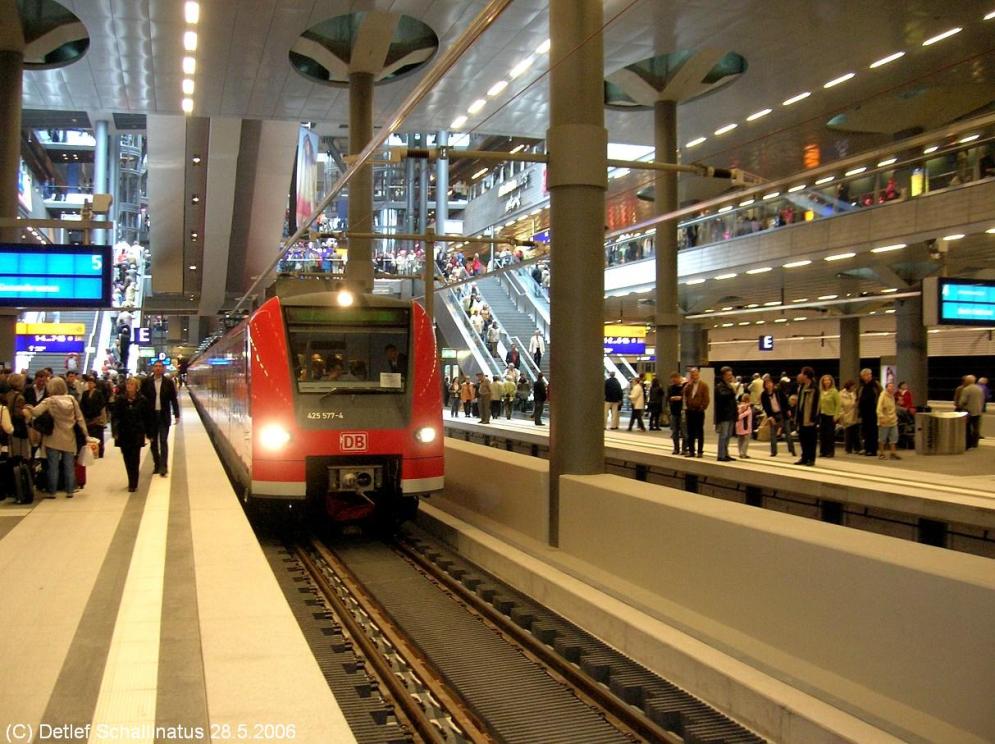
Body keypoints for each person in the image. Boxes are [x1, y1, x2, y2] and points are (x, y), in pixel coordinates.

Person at [24, 377, 88, 498]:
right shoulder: (72, 400)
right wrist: (86, 434)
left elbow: (36, 412)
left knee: (53, 466)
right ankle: (70, 490)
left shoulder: (49, 401)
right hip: (69, 437)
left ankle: (52, 491)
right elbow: (80, 418)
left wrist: (27, 407)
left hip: (53, 437)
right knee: (69, 466)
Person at [140, 360, 180, 477]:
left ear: (163, 369)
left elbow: (173, 399)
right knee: (153, 443)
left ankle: (163, 467)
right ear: (153, 368)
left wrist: (176, 414)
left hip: (163, 416)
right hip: (150, 417)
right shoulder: (146, 382)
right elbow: (142, 400)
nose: (158, 368)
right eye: (156, 366)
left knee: (163, 441)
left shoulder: (168, 383)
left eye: (160, 366)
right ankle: (156, 464)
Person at [112, 377, 150, 492]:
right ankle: (131, 479)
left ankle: (133, 483)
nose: (129, 386)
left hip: (137, 433)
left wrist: (149, 433)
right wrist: (115, 432)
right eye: (128, 384)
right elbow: (115, 416)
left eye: (132, 384)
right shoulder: (120, 400)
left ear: (136, 387)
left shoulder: (142, 400)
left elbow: (147, 417)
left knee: (135, 457)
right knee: (127, 457)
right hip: (124, 433)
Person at [793, 367, 820, 466]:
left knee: (811, 439)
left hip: (809, 418)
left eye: (802, 373)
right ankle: (804, 457)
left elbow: (817, 405)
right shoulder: (801, 387)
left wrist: (813, 418)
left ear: (806, 375)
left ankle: (811, 459)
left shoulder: (814, 388)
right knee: (802, 438)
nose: (800, 375)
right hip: (801, 417)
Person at [760, 376, 790, 457]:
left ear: (773, 384)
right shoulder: (763, 395)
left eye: (770, 383)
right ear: (765, 385)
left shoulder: (778, 391)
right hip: (772, 414)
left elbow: (785, 401)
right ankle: (773, 452)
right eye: (767, 384)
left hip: (782, 413)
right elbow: (766, 407)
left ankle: (792, 450)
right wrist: (770, 416)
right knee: (773, 433)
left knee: (787, 432)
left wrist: (788, 410)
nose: (769, 385)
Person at [682, 367, 709, 458]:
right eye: (692, 375)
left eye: (695, 374)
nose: (694, 376)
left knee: (699, 431)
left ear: (698, 375)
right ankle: (691, 451)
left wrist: (702, 407)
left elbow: (706, 399)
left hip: (699, 411)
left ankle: (700, 451)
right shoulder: (689, 385)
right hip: (690, 411)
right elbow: (685, 394)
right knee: (690, 432)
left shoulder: (704, 385)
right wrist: (688, 384)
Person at [714, 366, 738, 462]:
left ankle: (726, 453)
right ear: (723, 376)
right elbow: (723, 396)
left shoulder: (729, 386)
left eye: (731, 375)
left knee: (728, 436)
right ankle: (721, 455)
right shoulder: (720, 386)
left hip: (731, 414)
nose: (730, 377)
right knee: (723, 435)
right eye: (728, 375)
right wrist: (733, 391)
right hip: (724, 415)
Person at [857, 368, 881, 457]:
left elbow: (880, 395)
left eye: (869, 374)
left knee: (873, 431)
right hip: (864, 412)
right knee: (866, 431)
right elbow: (858, 398)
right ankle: (867, 449)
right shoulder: (862, 386)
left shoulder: (876, 385)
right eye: (865, 375)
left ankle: (873, 450)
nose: (867, 376)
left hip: (874, 411)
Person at [80, 377, 107, 458]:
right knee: (89, 435)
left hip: (97, 416)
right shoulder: (85, 393)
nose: (89, 384)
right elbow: (82, 404)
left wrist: (100, 416)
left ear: (95, 384)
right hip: (87, 416)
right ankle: (90, 452)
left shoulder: (98, 393)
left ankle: (100, 451)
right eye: (89, 383)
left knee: (98, 435)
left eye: (91, 383)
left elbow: (101, 404)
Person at [876, 382, 901, 460]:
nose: (892, 388)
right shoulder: (882, 396)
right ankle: (881, 453)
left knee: (894, 437)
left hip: (893, 420)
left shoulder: (892, 396)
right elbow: (879, 408)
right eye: (890, 387)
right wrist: (881, 417)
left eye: (893, 387)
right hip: (884, 420)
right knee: (882, 438)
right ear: (886, 388)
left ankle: (893, 453)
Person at [818, 374, 841, 458]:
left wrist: (836, 415)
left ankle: (830, 451)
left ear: (831, 381)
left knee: (829, 434)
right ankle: (822, 451)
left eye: (828, 380)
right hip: (822, 415)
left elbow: (838, 404)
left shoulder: (834, 391)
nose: (826, 382)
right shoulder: (821, 391)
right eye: (825, 380)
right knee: (822, 434)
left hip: (830, 415)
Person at [960, 375, 984, 449]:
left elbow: (963, 401)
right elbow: (983, 399)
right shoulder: (980, 389)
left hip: (969, 411)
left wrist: (960, 405)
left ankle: (968, 444)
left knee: (967, 428)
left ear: (967, 381)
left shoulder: (966, 389)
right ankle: (975, 443)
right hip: (978, 410)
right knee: (976, 428)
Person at [839, 380, 861, 454]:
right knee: (848, 432)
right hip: (847, 414)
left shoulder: (854, 393)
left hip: (854, 414)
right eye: (852, 386)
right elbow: (840, 406)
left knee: (856, 432)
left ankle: (857, 448)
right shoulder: (841, 394)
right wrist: (842, 415)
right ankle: (848, 448)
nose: (854, 388)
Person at [666, 372, 684, 455]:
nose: (674, 381)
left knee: (684, 431)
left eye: (675, 379)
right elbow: (668, 397)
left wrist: (680, 398)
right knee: (675, 431)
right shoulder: (670, 388)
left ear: (679, 378)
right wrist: (671, 398)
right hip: (674, 412)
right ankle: (676, 448)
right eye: (673, 380)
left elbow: (686, 397)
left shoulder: (684, 387)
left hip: (682, 411)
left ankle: (684, 449)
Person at [735, 393, 753, 459]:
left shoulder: (739, 406)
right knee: (746, 440)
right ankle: (743, 453)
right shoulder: (747, 407)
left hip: (738, 426)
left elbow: (737, 415)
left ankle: (740, 452)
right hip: (746, 426)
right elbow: (745, 415)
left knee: (740, 440)